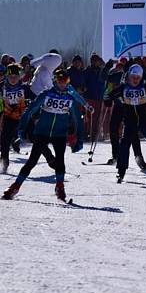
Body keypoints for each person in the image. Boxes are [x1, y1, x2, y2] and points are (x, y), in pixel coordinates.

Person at [2, 69, 84, 201]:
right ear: (55, 80)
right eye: (59, 80)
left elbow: (77, 119)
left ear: (68, 82)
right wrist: (22, 128)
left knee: (60, 160)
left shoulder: (70, 98)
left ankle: (60, 186)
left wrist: (79, 139)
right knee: (32, 161)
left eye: (65, 81)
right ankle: (15, 186)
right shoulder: (46, 94)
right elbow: (30, 110)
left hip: (59, 134)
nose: (62, 84)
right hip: (42, 132)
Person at [104, 58, 145, 168]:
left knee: (132, 132)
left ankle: (139, 156)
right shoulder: (119, 75)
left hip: (130, 108)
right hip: (118, 106)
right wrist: (108, 65)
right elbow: (103, 77)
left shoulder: (139, 78)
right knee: (113, 128)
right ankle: (116, 155)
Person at [0, 64, 36, 173]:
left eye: (16, 76)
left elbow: (35, 98)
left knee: (35, 138)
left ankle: (50, 159)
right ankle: (4, 162)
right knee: (5, 141)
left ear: (19, 76)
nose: (13, 79)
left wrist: (31, 103)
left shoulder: (24, 87)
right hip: (8, 117)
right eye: (11, 77)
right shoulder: (2, 87)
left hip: (23, 117)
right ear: (7, 76)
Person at [83, 54, 106, 141]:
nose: (96, 62)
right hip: (89, 97)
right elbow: (83, 82)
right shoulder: (87, 71)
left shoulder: (102, 71)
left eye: (97, 61)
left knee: (97, 118)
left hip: (99, 97)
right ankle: (86, 133)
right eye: (94, 61)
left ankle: (94, 135)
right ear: (91, 61)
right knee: (87, 117)